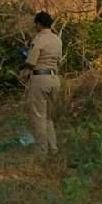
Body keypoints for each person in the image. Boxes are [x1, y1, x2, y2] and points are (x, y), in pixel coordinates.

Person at [22, 11, 63, 157]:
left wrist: (24, 75)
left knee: (38, 116)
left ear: (39, 24)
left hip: (40, 78)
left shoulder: (39, 39)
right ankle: (53, 148)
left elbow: (31, 62)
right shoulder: (57, 40)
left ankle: (41, 152)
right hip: (54, 79)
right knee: (48, 117)